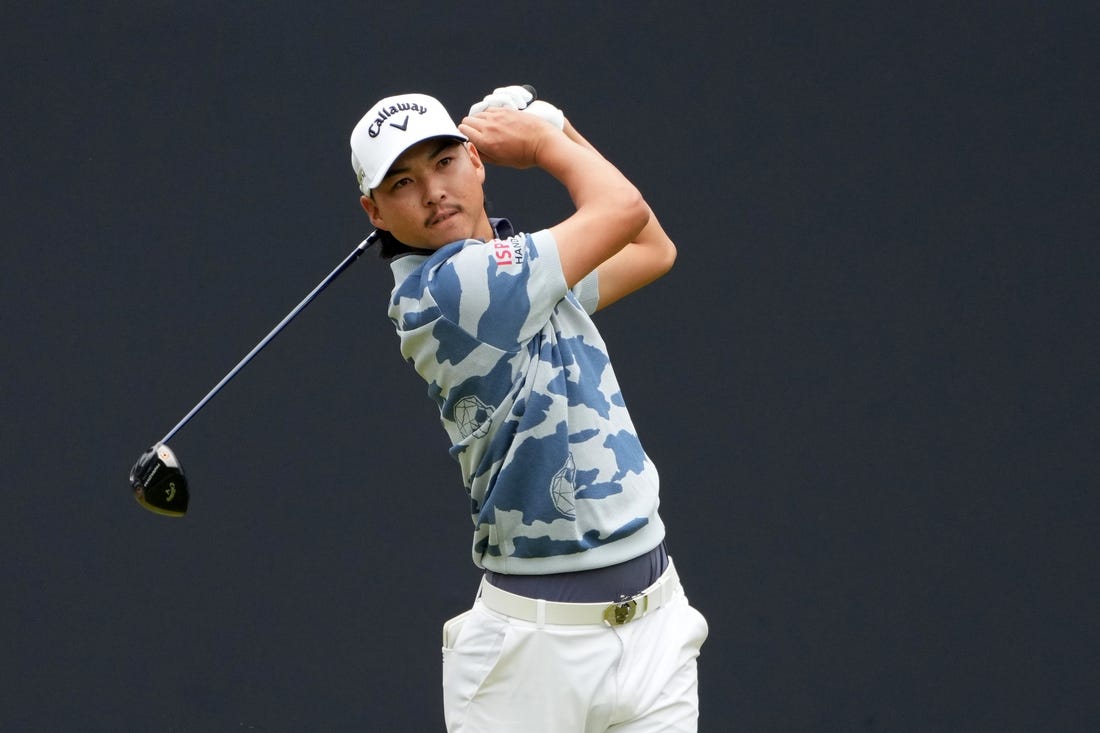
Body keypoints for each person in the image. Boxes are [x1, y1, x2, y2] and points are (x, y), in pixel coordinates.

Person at [349, 85, 708, 732]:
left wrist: (558, 124)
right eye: (402, 182)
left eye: (444, 161)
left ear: (476, 161)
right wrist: (544, 140)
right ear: (373, 211)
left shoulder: (520, 272)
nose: (433, 191)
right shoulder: (454, 291)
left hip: (653, 625)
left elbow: (653, 247)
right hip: (532, 661)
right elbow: (621, 209)